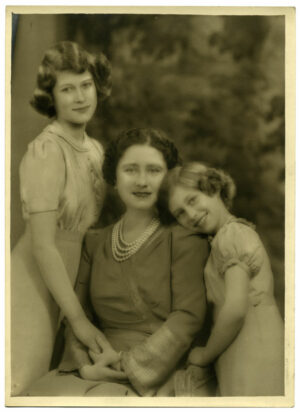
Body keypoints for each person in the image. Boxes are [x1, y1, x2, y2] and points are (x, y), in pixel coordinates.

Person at [23, 128, 214, 397]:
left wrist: (126, 366)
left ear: (169, 178)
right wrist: (86, 366)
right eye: (131, 170)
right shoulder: (96, 241)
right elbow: (79, 317)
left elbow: (188, 318)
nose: (142, 181)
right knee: (38, 396)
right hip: (94, 364)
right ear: (114, 177)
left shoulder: (184, 238)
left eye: (154, 171)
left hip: (158, 371)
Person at [11, 41, 112, 395]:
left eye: (86, 85)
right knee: (21, 379)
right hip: (37, 276)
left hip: (73, 277)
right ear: (51, 97)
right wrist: (78, 319)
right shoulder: (46, 150)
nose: (81, 96)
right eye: (67, 89)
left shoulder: (96, 151)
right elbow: (43, 245)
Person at [158, 162, 284, 396]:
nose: (191, 215)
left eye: (192, 200)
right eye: (180, 213)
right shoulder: (226, 236)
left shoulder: (230, 236)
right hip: (245, 345)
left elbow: (235, 309)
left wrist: (205, 355)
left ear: (213, 188)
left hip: (253, 348)